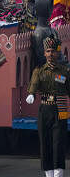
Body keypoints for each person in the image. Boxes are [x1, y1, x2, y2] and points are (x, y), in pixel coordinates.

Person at [27, 36, 70, 177]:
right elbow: (34, 84)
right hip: (44, 109)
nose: (51, 54)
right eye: (48, 51)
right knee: (45, 142)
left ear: (58, 53)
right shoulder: (39, 70)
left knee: (58, 143)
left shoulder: (64, 71)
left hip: (60, 109)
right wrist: (32, 94)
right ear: (44, 53)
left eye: (53, 51)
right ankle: (48, 173)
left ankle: (58, 173)